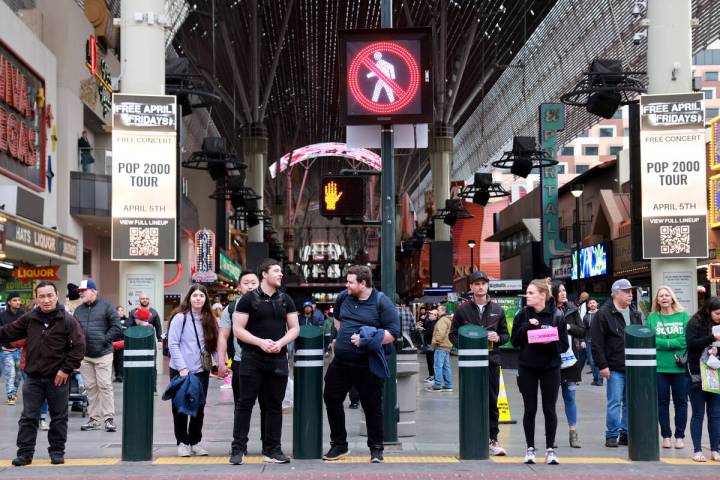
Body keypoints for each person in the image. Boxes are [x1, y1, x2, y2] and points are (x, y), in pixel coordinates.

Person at [0, 281, 85, 466]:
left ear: (56, 296)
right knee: (28, 417)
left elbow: (79, 347)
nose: (46, 300)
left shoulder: (68, 320)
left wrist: (66, 369)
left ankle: (57, 451)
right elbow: (8, 332)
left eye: (49, 295)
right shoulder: (30, 318)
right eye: (42, 296)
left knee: (59, 416)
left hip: (58, 378)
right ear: (37, 298)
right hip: (33, 378)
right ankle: (24, 454)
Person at [322, 265, 400, 464]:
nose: (346, 285)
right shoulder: (343, 297)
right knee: (331, 398)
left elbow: (393, 333)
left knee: (372, 406)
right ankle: (339, 444)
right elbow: (338, 321)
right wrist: (344, 339)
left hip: (368, 364)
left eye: (350, 282)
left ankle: (376, 448)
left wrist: (367, 340)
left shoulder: (382, 302)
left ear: (363, 283)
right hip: (341, 363)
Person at [229, 259, 300, 465]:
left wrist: (280, 343)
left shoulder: (286, 299)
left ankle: (272, 450)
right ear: (264, 274)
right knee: (245, 404)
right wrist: (260, 343)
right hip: (252, 358)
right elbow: (238, 330)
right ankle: (238, 449)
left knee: (274, 406)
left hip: (277, 359)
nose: (280, 274)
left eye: (280, 271)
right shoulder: (247, 300)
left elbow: (295, 328)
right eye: (276, 271)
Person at [450, 271, 509, 456]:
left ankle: (493, 439)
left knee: (492, 401)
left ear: (488, 286)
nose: (480, 287)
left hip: (492, 362)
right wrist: (466, 345)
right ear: (471, 287)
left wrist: (498, 337)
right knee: (471, 400)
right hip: (470, 365)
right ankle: (472, 437)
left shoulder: (498, 310)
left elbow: (507, 335)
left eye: (484, 283)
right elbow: (452, 335)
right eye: (477, 284)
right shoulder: (462, 310)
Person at [511, 278, 567, 465]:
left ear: (543, 295)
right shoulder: (522, 315)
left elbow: (564, 345)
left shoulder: (557, 315)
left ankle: (550, 449)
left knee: (549, 409)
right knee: (530, 409)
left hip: (550, 368)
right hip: (527, 367)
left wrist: (549, 342)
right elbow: (515, 341)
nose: (527, 296)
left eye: (531, 293)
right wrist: (528, 327)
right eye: (527, 292)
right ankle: (530, 448)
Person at [590, 278, 643, 448]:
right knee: (615, 401)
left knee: (630, 401)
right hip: (614, 366)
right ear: (616, 293)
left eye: (631, 291)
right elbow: (597, 343)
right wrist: (602, 366)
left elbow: (640, 336)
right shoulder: (603, 313)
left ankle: (626, 432)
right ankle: (612, 434)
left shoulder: (635, 312)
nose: (630, 294)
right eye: (626, 291)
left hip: (633, 365)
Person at [167, 283, 218, 457]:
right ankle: (182, 442)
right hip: (181, 371)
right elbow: (172, 343)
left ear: (206, 299)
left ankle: (195, 441)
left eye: (201, 296)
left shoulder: (209, 319)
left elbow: (214, 345)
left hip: (200, 371)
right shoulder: (180, 318)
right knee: (180, 407)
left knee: (199, 408)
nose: (198, 299)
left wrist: (221, 365)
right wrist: (182, 367)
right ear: (189, 298)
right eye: (195, 295)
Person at [73, 279, 122, 433]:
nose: (81, 293)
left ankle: (108, 419)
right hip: (85, 356)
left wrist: (104, 340)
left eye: (83, 290)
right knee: (91, 387)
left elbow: (116, 327)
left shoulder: (106, 306)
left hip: (103, 354)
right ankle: (94, 419)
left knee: (105, 386)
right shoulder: (78, 310)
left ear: (93, 291)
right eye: (79, 291)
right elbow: (75, 331)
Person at [646, 286, 690, 450]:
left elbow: (686, 339)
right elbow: (649, 339)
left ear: (672, 298)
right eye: (661, 296)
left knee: (681, 403)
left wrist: (663, 343)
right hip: (659, 368)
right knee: (662, 403)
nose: (664, 298)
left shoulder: (683, 316)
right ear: (657, 300)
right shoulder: (652, 317)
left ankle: (679, 436)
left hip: (679, 368)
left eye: (667, 295)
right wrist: (672, 343)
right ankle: (666, 436)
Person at [217, 271, 260, 404]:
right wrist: (221, 362)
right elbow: (223, 337)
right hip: (241, 362)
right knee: (241, 405)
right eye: (246, 283)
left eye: (254, 283)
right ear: (239, 287)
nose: (250, 286)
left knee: (268, 406)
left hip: (266, 361)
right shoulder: (230, 309)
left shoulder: (269, 305)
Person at [552, 281, 585, 449]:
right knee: (551, 400)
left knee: (570, 397)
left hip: (571, 360)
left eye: (565, 290)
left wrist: (568, 327)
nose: (564, 293)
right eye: (560, 291)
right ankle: (552, 436)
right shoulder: (547, 310)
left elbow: (582, 330)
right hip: (552, 360)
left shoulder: (572, 309)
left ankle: (573, 434)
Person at [686, 296, 720, 462]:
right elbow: (691, 344)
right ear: (708, 310)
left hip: (716, 374)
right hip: (697, 374)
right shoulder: (695, 323)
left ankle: (715, 450)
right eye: (717, 313)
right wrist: (712, 339)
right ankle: (697, 450)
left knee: (715, 414)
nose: (719, 316)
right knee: (698, 413)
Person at [0, 292, 24, 405]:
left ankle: (14, 391)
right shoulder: (2, 315)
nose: (18, 302)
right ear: (9, 302)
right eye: (15, 300)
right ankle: (10, 395)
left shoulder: (23, 314)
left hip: (19, 350)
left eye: (19, 300)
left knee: (19, 375)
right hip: (6, 350)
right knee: (11, 373)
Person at [428, 304, 453, 392]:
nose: (437, 311)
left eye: (438, 310)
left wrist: (435, 343)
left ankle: (437, 385)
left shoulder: (442, 320)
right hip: (447, 345)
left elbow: (440, 333)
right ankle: (448, 385)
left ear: (442, 311)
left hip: (441, 346)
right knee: (446, 366)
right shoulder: (447, 319)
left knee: (437, 366)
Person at [579, 298, 602, 386]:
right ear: (588, 306)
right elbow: (583, 330)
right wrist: (582, 340)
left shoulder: (601, 314)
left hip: (600, 340)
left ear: (597, 304)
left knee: (599, 359)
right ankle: (596, 378)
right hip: (589, 340)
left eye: (593, 302)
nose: (592, 304)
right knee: (592, 361)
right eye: (590, 303)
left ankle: (599, 379)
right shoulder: (586, 317)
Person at [417, 308, 437, 383]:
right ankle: (431, 375)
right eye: (430, 314)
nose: (429, 315)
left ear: (435, 316)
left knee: (432, 360)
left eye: (431, 314)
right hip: (428, 343)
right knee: (429, 360)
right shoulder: (430, 322)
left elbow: (430, 333)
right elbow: (425, 325)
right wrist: (421, 321)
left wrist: (423, 330)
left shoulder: (435, 323)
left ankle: (434, 376)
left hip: (431, 344)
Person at [112, 306, 129, 383]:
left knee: (121, 360)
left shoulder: (127, 321)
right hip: (114, 343)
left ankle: (121, 376)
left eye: (122, 310)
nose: (121, 312)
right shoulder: (113, 321)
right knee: (115, 360)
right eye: (119, 310)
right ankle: (117, 376)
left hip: (123, 343)